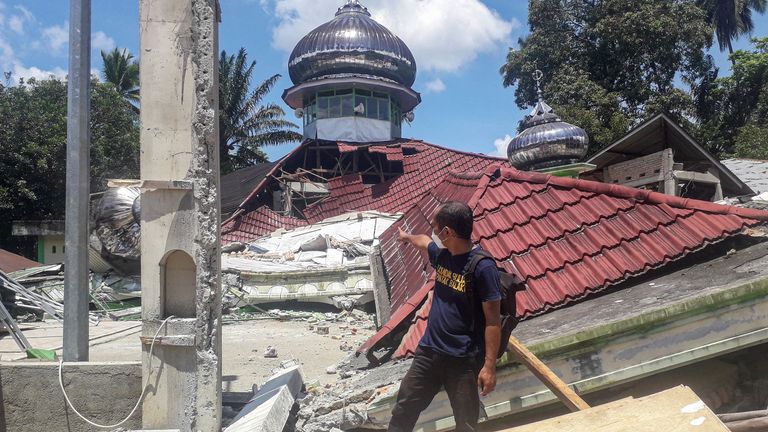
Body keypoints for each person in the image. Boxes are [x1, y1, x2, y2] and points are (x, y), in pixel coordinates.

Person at [388, 201, 502, 432]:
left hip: (463, 361)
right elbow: (424, 241)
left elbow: (492, 321)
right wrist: (406, 237)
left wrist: (489, 367)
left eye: (435, 227)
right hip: (429, 353)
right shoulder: (443, 256)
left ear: (447, 232)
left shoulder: (482, 267)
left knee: (466, 423)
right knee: (403, 410)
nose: (434, 232)